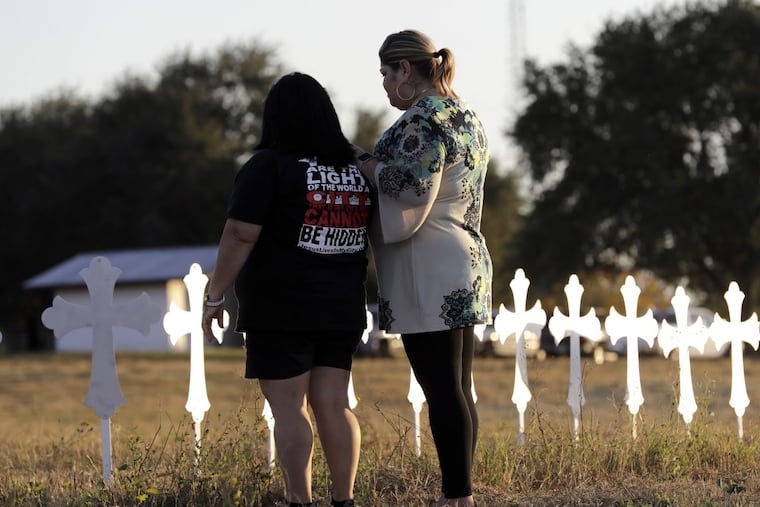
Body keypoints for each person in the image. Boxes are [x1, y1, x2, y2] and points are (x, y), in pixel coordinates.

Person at [201, 72, 373, 507]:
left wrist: (215, 294)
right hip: (342, 306)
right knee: (334, 405)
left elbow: (240, 233)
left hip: (282, 308)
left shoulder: (268, 166)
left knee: (290, 408)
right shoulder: (354, 171)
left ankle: (300, 499)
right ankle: (344, 499)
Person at [354, 30, 492, 507]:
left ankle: (457, 497)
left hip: (427, 265)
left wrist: (367, 165)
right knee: (458, 387)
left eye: (385, 75)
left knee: (440, 389)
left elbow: (410, 188)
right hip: (464, 257)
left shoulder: (423, 120)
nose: (385, 86)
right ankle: (462, 490)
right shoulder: (465, 113)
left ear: (405, 70)